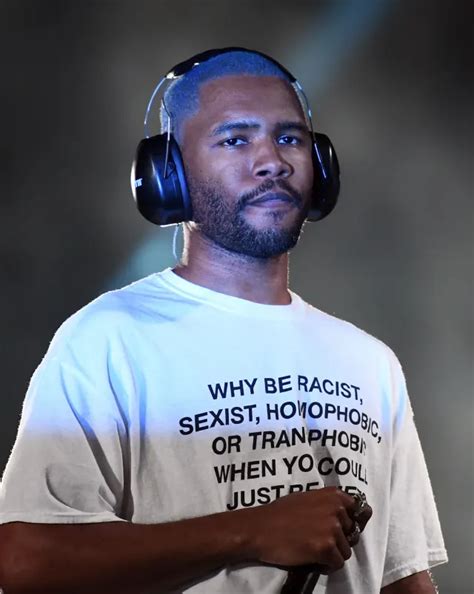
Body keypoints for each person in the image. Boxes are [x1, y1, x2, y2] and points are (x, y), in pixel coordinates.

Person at [0, 48, 447, 594]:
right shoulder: (108, 340)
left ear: (320, 166)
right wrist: (249, 533)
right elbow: (26, 562)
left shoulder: (371, 363)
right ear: (169, 175)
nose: (272, 162)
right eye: (235, 140)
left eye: (290, 138)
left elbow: (403, 577)